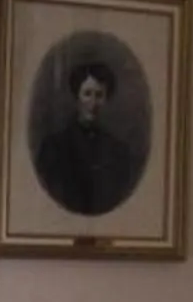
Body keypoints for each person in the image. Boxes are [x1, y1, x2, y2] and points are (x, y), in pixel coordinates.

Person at [32, 57, 143, 217]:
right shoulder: (53, 146)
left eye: (99, 95)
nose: (93, 102)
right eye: (87, 94)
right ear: (77, 97)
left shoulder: (119, 150)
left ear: (106, 100)